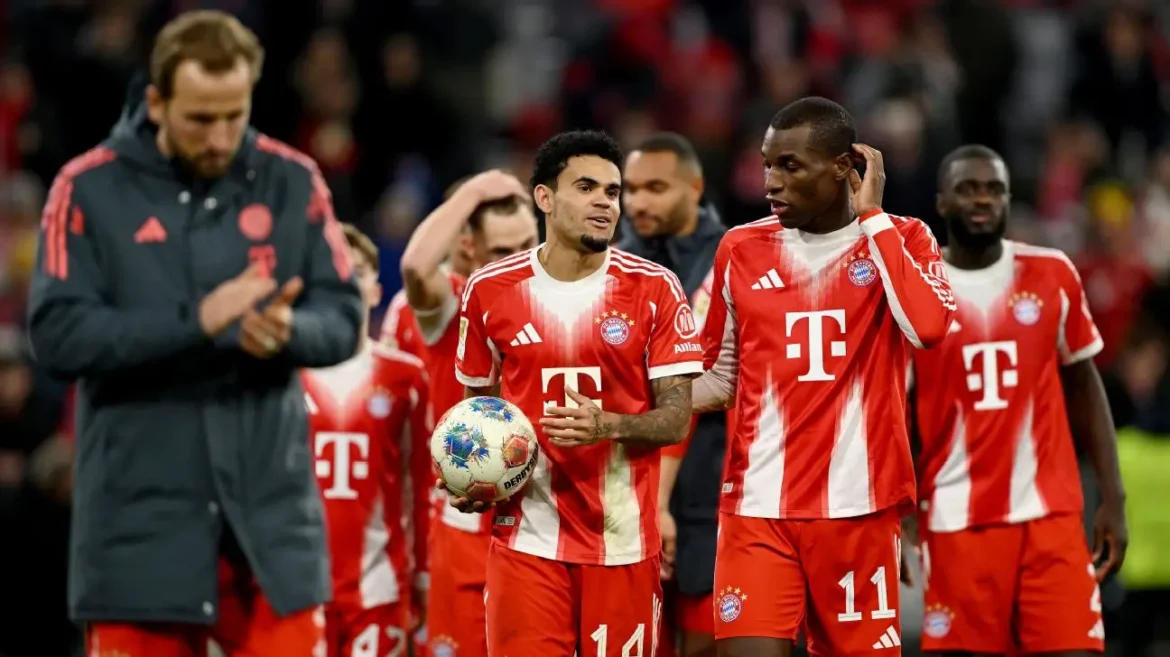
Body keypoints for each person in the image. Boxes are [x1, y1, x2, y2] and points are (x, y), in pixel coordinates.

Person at [25, 11, 363, 656]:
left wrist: (289, 330)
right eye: (200, 119)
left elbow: (343, 316)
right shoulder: (86, 188)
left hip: (269, 537)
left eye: (235, 115)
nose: (220, 137)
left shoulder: (292, 180)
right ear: (156, 103)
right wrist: (197, 321)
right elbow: (58, 334)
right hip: (138, 540)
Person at [692, 97, 956, 657]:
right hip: (757, 509)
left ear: (842, 166)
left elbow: (929, 328)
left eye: (790, 165)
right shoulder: (740, 248)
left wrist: (873, 217)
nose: (771, 181)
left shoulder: (903, 237)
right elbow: (719, 378)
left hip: (859, 510)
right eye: (768, 165)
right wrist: (626, 403)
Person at [451, 129, 706, 656]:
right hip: (526, 539)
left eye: (612, 192)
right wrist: (470, 477)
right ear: (544, 198)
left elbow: (677, 418)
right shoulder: (490, 289)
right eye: (586, 187)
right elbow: (477, 413)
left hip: (623, 542)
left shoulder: (655, 288)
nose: (604, 202)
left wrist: (609, 424)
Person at [907, 144, 1128, 656]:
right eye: (968, 189)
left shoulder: (1052, 272)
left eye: (994, 189)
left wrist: (1113, 497)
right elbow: (894, 412)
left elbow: (1085, 384)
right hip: (958, 522)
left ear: (1008, 199)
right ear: (942, 202)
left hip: (1050, 517)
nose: (982, 199)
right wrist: (899, 510)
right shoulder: (917, 291)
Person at [396, 170, 537, 656]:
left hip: (541, 523)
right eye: (502, 251)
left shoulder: (562, 309)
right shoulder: (455, 306)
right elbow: (416, 268)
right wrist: (476, 191)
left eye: (527, 244)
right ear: (468, 249)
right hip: (465, 528)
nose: (518, 260)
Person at [618, 132, 726, 657]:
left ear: (695, 187)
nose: (637, 202)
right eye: (631, 189)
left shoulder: (734, 258)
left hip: (715, 486)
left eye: (655, 188)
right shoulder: (612, 264)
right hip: (629, 490)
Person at [304, 224, 432, 657]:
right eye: (332, 269)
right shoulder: (281, 377)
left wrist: (424, 576)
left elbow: (421, 486)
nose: (344, 280)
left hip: (379, 589)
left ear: (376, 291)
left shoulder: (406, 376)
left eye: (356, 270)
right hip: (298, 590)